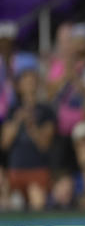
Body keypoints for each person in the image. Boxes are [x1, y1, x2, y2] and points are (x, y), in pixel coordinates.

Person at [1, 65, 55, 211]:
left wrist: (32, 127)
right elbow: (5, 143)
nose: (30, 84)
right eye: (26, 80)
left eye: (33, 80)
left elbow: (44, 145)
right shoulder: (12, 111)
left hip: (38, 171)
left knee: (37, 201)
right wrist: (18, 121)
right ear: (19, 86)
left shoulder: (46, 111)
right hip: (15, 172)